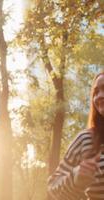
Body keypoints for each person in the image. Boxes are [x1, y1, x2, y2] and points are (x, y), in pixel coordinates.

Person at [48, 71, 104, 199]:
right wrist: (75, 179)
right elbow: (53, 187)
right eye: (96, 92)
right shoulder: (85, 139)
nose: (99, 95)